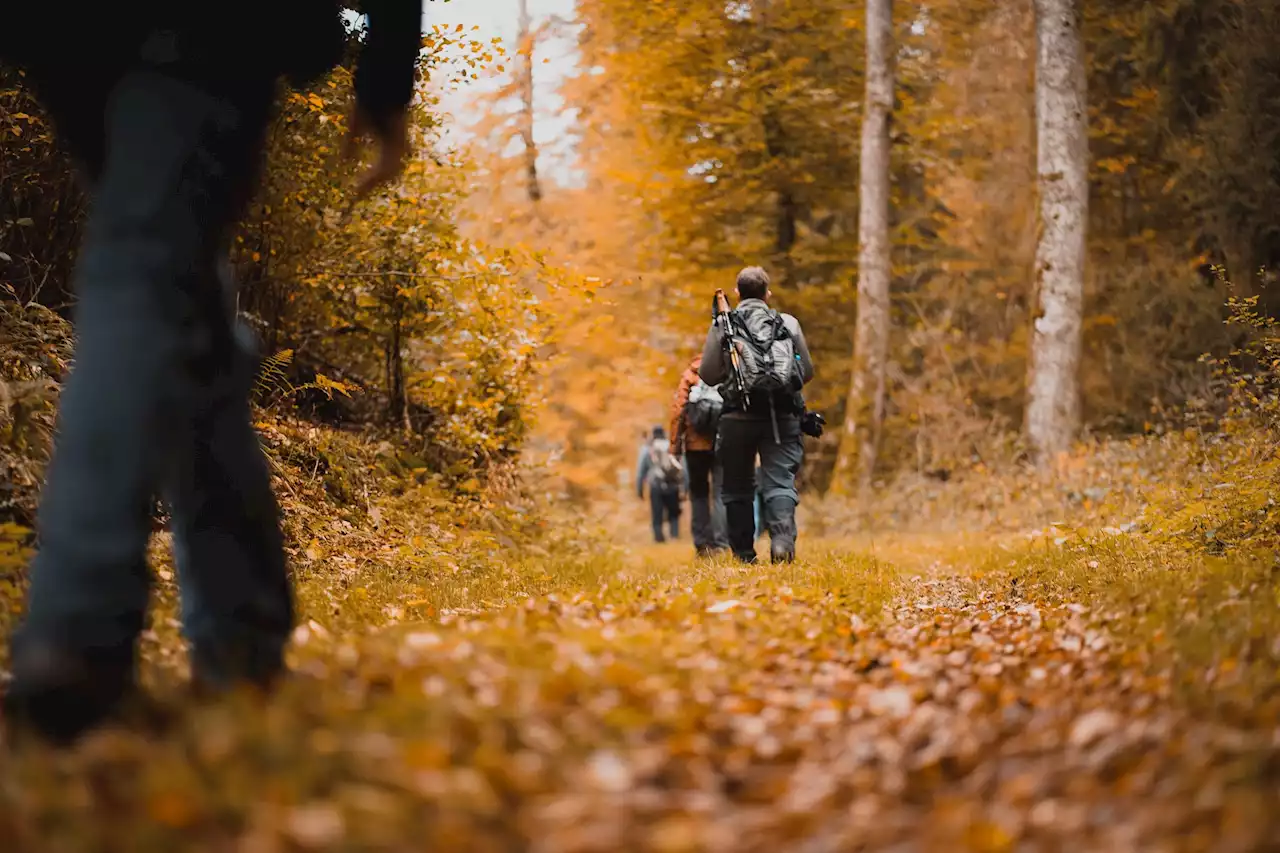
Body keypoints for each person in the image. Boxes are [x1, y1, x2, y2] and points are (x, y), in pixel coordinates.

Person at [0, 2, 425, 743]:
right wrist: (385, 78)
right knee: (172, 295)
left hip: (118, 37)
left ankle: (79, 631)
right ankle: (237, 630)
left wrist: (387, 73)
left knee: (149, 273)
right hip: (141, 39)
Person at [700, 266, 815, 563]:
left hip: (737, 417)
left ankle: (743, 555)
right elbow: (806, 372)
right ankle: (781, 543)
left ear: (737, 293)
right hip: (781, 416)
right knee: (779, 482)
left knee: (737, 486)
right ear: (768, 292)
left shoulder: (724, 325)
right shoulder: (787, 323)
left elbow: (709, 375)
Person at [669, 354, 728, 556]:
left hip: (695, 446)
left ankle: (703, 544)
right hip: (723, 442)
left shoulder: (690, 375)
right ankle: (721, 543)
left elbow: (678, 410)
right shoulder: (727, 372)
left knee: (699, 495)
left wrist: (675, 447)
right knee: (721, 493)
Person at [636, 426, 683, 543]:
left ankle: (658, 537)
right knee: (673, 513)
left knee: (657, 513)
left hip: (655, 485)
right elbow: (682, 467)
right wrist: (685, 486)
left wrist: (640, 489)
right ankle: (674, 536)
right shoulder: (671, 447)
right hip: (673, 484)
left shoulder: (647, 449)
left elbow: (641, 471)